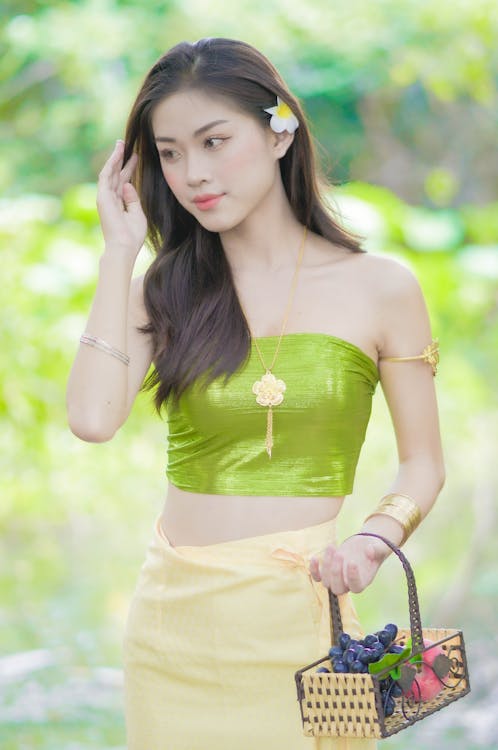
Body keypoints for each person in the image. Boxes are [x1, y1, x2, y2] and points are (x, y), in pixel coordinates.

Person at [66, 37, 444, 750]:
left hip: (302, 617)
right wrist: (120, 251)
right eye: (170, 153)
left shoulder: (382, 287)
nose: (193, 174)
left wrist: (372, 538)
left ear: (279, 131)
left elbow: (423, 463)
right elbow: (91, 419)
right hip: (172, 629)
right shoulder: (167, 288)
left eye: (214, 141)